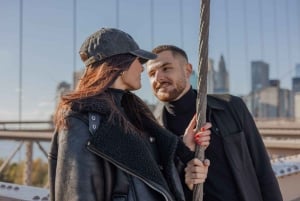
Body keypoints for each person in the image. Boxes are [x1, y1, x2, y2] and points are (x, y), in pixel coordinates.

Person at [48, 28, 211, 201]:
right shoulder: (80, 120)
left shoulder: (133, 114)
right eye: (137, 60)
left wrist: (182, 148)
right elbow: (76, 193)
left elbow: (148, 176)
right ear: (121, 65)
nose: (141, 68)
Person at [146, 44, 283, 201]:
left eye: (166, 68)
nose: (158, 78)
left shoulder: (232, 106)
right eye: (151, 73)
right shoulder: (151, 130)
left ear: (188, 70)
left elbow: (263, 169)